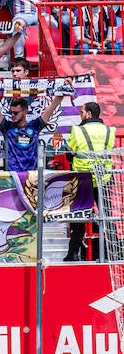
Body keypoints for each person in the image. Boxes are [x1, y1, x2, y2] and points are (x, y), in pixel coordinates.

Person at [64, 102, 116, 261]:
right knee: (107, 216)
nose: (80, 115)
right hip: (103, 177)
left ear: (88, 114)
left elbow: (69, 153)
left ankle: (73, 253)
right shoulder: (109, 131)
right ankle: (113, 251)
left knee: (78, 218)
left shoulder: (78, 130)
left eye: (81, 112)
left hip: (83, 178)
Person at [0, 89, 66, 174]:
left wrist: (64, 86)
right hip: (13, 176)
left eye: (16, 113)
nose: (12, 115)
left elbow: (53, 105)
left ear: (25, 111)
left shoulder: (35, 126)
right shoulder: (6, 127)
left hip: (31, 176)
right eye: (11, 112)